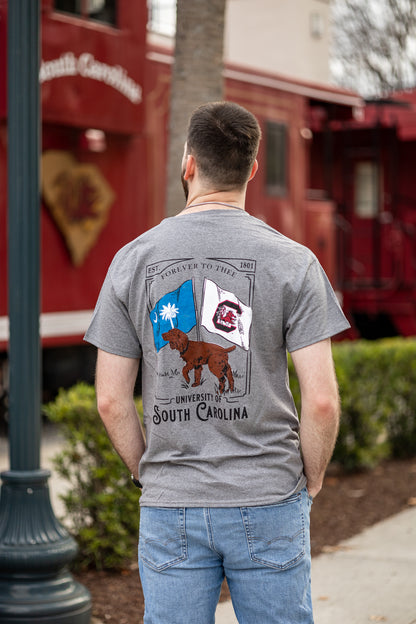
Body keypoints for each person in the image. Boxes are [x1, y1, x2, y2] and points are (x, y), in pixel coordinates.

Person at [84, 101, 350, 624]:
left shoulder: (132, 260)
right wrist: (310, 480)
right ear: (252, 170)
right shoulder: (294, 261)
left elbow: (110, 401)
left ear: (188, 165)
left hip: (171, 506)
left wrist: (155, 476)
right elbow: (320, 401)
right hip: (269, 496)